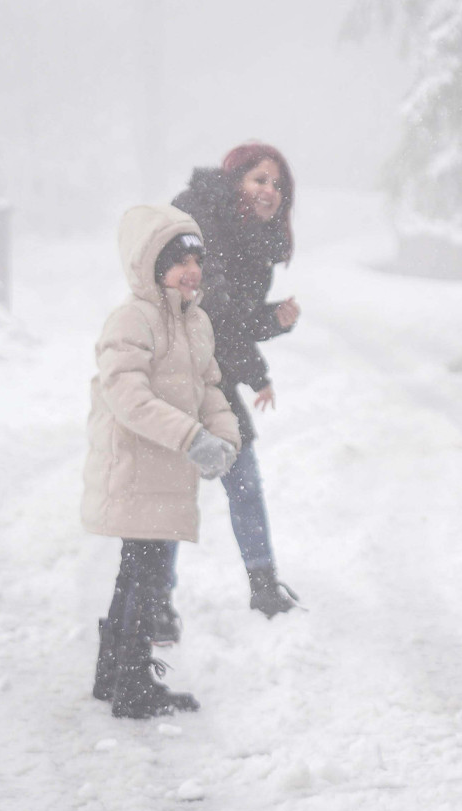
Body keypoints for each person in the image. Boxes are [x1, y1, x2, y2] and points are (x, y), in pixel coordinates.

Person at [84, 205, 241, 718]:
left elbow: (210, 388)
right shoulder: (133, 319)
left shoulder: (196, 322)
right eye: (177, 259)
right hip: (136, 468)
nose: (190, 269)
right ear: (150, 264)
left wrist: (224, 437)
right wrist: (192, 437)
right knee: (146, 573)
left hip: (168, 469)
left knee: (138, 570)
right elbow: (127, 397)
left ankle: (113, 675)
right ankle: (132, 683)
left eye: (196, 257)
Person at [161, 142, 303, 637]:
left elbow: (232, 321)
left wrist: (273, 320)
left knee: (242, 478)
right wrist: (258, 365)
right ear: (235, 180)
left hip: (213, 369)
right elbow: (211, 311)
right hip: (176, 372)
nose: (269, 191)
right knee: (174, 488)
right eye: (259, 180)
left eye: (277, 184)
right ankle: (155, 602)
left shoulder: (252, 240)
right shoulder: (203, 222)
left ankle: (263, 585)